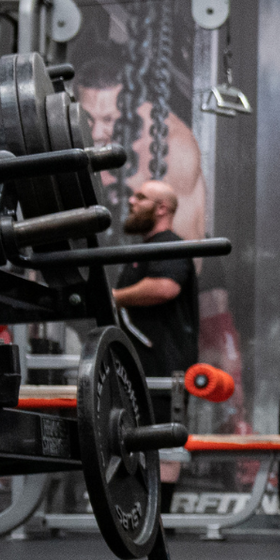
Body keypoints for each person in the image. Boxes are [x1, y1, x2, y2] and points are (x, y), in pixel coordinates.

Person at [112, 180, 198, 494]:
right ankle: (144, 525)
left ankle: (161, 526)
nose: (132, 202)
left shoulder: (170, 245)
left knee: (162, 446)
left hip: (164, 368)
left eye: (141, 197)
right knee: (135, 444)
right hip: (139, 368)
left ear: (161, 208)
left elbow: (165, 287)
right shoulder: (147, 249)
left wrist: (115, 296)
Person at [74, 61, 210, 242]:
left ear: (131, 107)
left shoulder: (175, 149)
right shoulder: (71, 132)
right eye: (88, 118)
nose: (96, 134)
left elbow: (185, 250)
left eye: (108, 119)